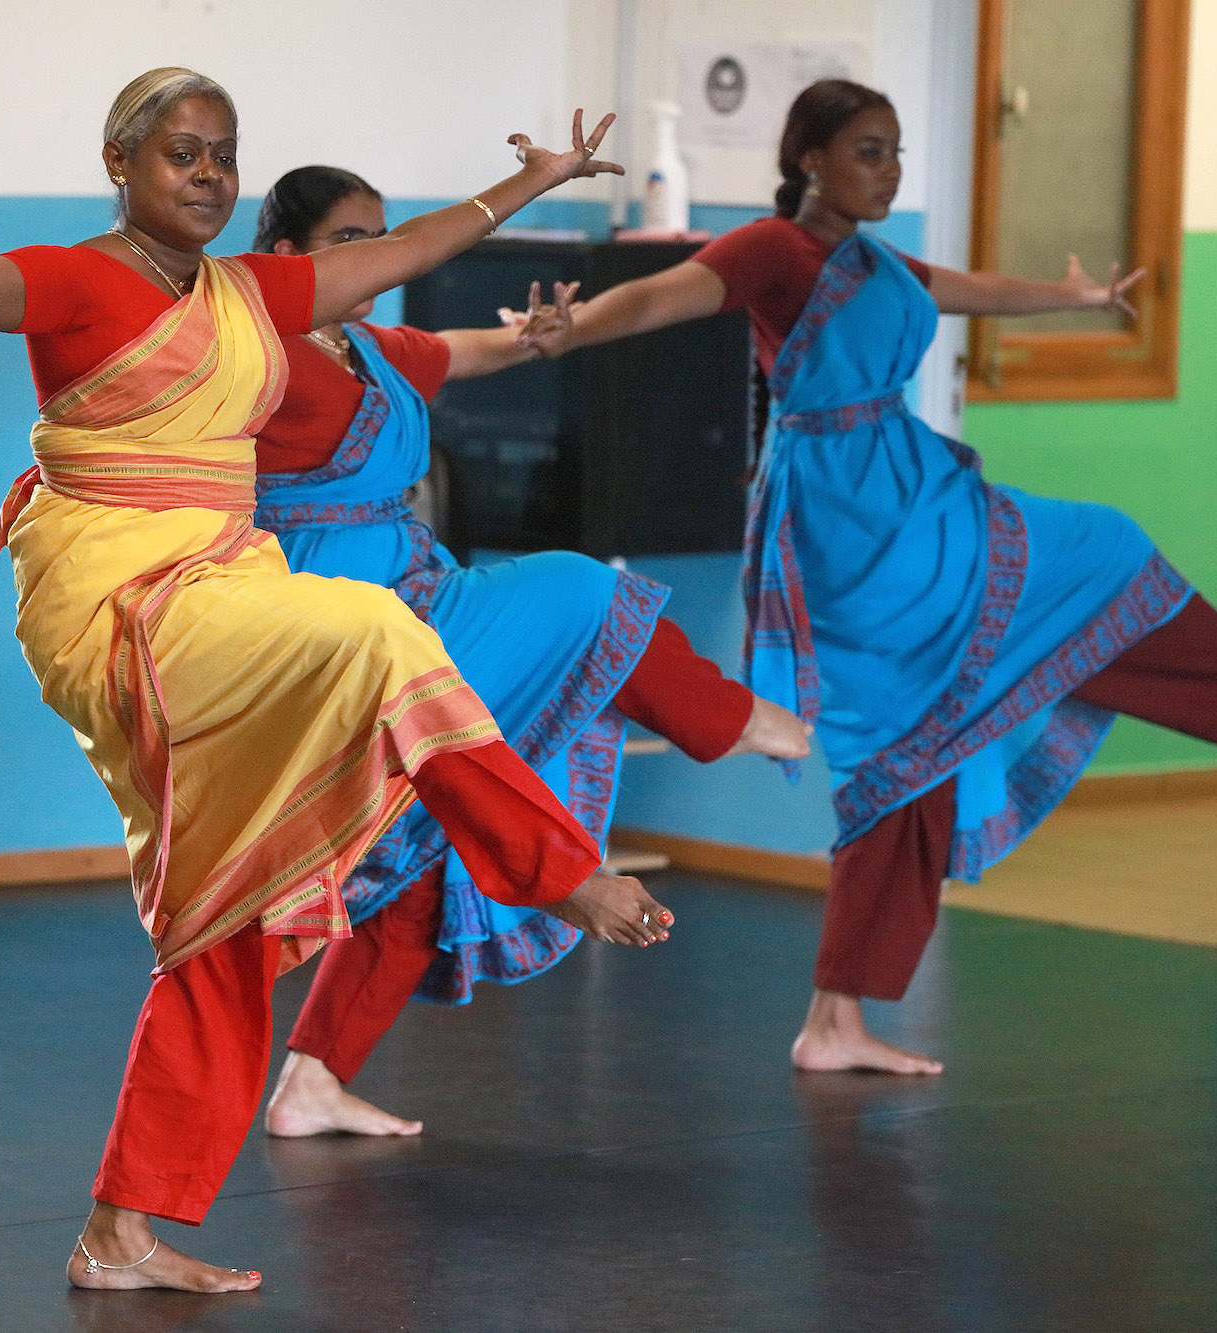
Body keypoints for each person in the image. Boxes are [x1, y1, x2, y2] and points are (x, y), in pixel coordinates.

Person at [0, 68, 674, 1295]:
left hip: (226, 583)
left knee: (227, 917)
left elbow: (400, 254)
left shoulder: (247, 291)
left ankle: (117, 1232)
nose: (207, 176)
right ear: (119, 162)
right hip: (118, 598)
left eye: (223, 156)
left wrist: (530, 182)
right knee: (379, 632)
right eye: (181, 154)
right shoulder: (75, 280)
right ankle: (556, 871)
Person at [518, 78, 1217, 1078]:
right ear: (810, 159)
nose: (890, 170)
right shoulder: (775, 248)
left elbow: (960, 288)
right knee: (1099, 553)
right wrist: (574, 327)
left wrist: (1072, 299)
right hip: (854, 518)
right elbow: (666, 294)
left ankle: (834, 1019)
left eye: (896, 151)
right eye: (868, 151)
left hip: (904, 490)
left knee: (913, 753)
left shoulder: (871, 257)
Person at [244, 166, 814, 1139]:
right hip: (338, 624)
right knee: (581, 592)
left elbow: (473, 349)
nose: (376, 258)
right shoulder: (254, 352)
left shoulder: (374, 349)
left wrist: (544, 331)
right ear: (285, 257)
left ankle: (311, 1082)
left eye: (383, 237)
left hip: (422, 593)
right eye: (348, 242)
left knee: (429, 852)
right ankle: (729, 720)